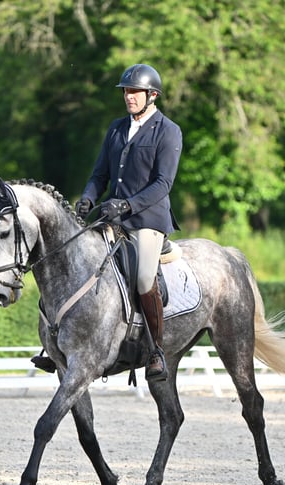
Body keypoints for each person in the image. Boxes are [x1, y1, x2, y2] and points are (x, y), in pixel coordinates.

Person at [75, 63, 182, 383]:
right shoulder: (117, 128)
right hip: (112, 214)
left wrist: (128, 204)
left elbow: (163, 183)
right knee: (77, 261)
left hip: (147, 218)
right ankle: (64, 342)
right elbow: (100, 174)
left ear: (152, 95)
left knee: (144, 276)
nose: (128, 97)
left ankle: (155, 350)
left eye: (134, 92)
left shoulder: (168, 130)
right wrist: (87, 198)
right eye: (126, 91)